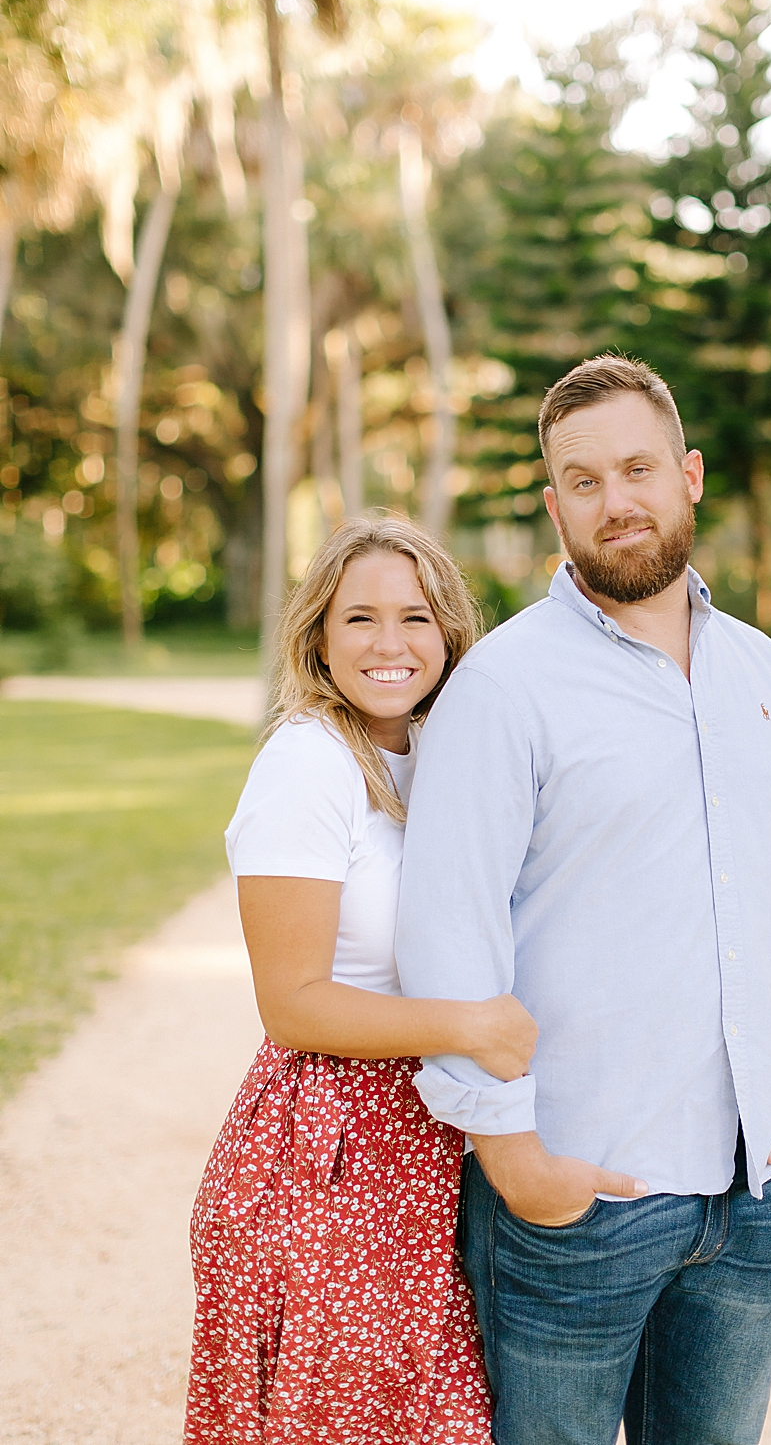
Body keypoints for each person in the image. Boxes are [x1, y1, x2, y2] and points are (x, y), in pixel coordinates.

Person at [392, 354, 771, 1445]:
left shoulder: (762, 670)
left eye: (638, 467)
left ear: (688, 475)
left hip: (754, 1183)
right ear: (554, 505)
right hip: (577, 1195)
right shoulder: (504, 686)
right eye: (585, 480)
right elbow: (447, 933)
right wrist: (516, 1161)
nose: (618, 501)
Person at [187, 516, 534, 1443]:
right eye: (361, 619)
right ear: (318, 639)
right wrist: (467, 1027)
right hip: (327, 1146)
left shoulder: (437, 757)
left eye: (416, 617)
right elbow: (291, 1004)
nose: (391, 645)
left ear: (452, 633)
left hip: (424, 1141)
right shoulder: (308, 762)